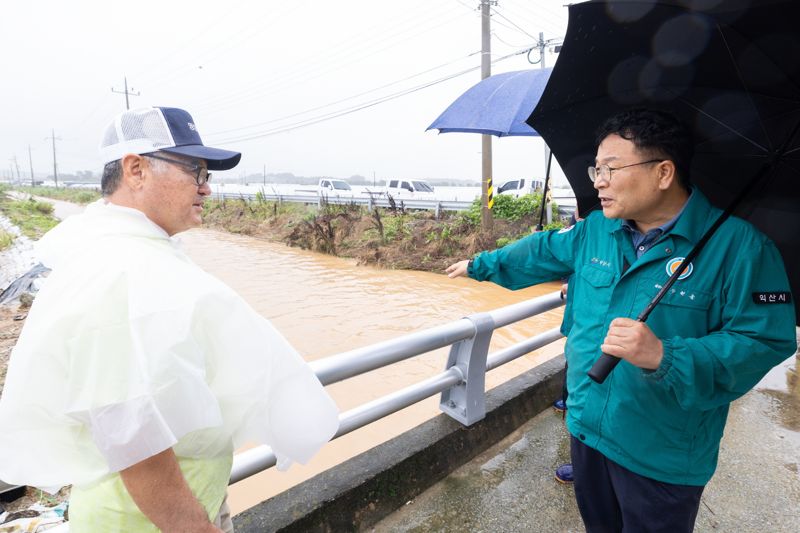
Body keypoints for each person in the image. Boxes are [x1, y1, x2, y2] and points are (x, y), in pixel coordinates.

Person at [446, 108, 796, 532]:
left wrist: (665, 354)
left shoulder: (740, 249)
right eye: (597, 168)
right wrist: (480, 265)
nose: (598, 181)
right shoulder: (597, 229)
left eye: (611, 168)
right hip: (587, 428)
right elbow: (540, 251)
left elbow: (764, 341)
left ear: (663, 172)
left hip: (661, 453)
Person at [0, 107, 339, 532]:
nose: (207, 189)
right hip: (146, 521)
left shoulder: (129, 251)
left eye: (208, 175)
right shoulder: (119, 272)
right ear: (136, 169)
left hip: (179, 502)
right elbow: (130, 436)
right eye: (195, 172)